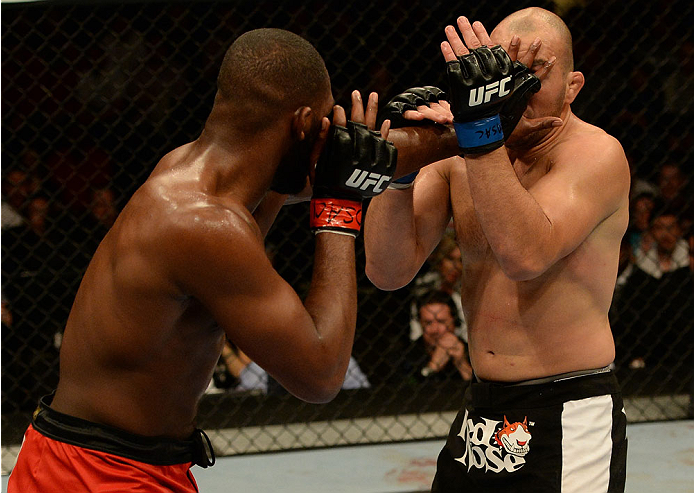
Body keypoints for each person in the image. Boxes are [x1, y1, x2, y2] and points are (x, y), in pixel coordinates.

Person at [8, 28, 396, 493]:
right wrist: (339, 208)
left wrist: (457, 134)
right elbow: (322, 374)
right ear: (302, 122)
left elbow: (317, 174)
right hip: (101, 475)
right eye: (321, 128)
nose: (326, 137)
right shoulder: (204, 226)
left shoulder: (182, 172)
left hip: (92, 461)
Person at [364, 8, 629, 492]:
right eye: (500, 71)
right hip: (481, 412)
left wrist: (479, 130)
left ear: (573, 87)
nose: (513, 88)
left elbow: (524, 255)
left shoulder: (596, 155)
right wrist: (401, 162)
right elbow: (386, 270)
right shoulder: (465, 153)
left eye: (534, 74)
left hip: (568, 409)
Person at [412, 290, 472, 381]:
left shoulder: (471, 352)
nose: (435, 330)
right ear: (420, 324)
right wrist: (432, 367)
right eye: (428, 323)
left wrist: (462, 364)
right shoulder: (408, 354)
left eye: (441, 322)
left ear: (454, 322)